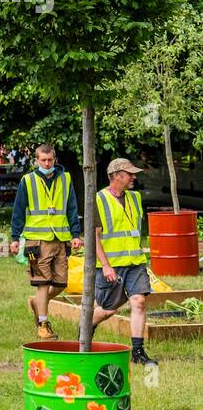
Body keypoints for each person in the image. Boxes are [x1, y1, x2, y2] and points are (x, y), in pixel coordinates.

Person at [10, 143, 82, 341]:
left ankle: (37, 303)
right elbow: (18, 211)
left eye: (50, 160)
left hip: (60, 239)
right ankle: (43, 324)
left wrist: (76, 234)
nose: (47, 163)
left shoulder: (65, 179)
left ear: (55, 160)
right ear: (36, 161)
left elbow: (72, 208)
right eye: (43, 160)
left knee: (60, 284)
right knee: (42, 283)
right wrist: (15, 238)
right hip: (37, 241)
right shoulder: (28, 180)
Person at [93, 159, 157, 366]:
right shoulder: (99, 200)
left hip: (135, 262)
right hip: (112, 264)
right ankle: (85, 329)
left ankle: (137, 352)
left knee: (138, 301)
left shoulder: (135, 198)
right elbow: (93, 237)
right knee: (107, 310)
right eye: (130, 174)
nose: (134, 177)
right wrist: (105, 265)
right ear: (116, 175)